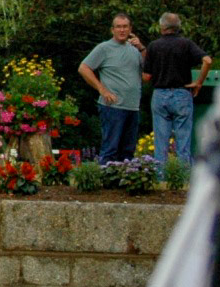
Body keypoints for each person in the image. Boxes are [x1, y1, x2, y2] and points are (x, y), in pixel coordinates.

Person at [142, 12, 212, 174]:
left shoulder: (154, 46)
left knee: (161, 143)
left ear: (162, 27)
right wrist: (199, 82)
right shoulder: (186, 44)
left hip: (160, 95)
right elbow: (207, 60)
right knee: (183, 142)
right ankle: (182, 180)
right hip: (182, 94)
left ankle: (160, 180)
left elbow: (147, 77)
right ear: (178, 27)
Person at [79, 14, 146, 163]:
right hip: (112, 106)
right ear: (112, 30)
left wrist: (142, 48)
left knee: (128, 150)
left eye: (125, 27)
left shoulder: (135, 50)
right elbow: (83, 68)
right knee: (111, 148)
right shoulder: (104, 48)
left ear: (130, 29)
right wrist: (102, 90)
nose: (122, 30)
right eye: (118, 27)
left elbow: (147, 75)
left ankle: (125, 181)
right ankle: (106, 181)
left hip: (133, 106)